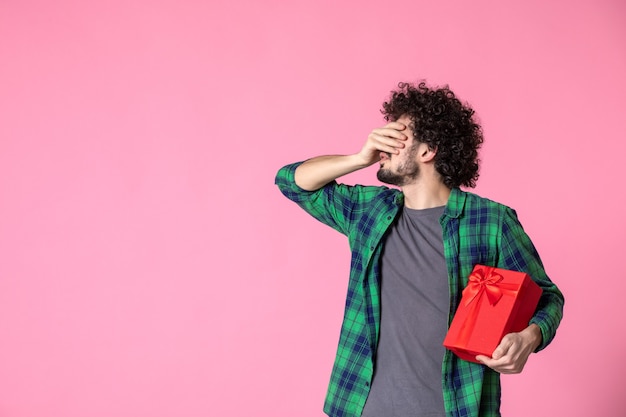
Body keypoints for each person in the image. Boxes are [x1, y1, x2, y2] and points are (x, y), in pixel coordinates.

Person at [275, 81, 564, 417]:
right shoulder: (369, 210)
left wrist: (530, 337)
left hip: (457, 408)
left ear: (428, 150)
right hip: (362, 408)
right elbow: (291, 182)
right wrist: (358, 157)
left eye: (397, 136)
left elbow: (547, 297)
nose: (382, 145)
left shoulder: (490, 221)